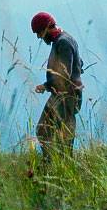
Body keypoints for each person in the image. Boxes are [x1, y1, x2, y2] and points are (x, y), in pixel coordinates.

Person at [31, 11, 83, 157]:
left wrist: (45, 86)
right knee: (60, 134)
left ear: (46, 28)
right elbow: (78, 62)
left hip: (66, 96)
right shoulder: (65, 39)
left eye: (39, 33)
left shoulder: (63, 42)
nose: (39, 37)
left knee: (44, 131)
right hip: (64, 94)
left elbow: (64, 75)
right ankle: (60, 163)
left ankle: (53, 163)